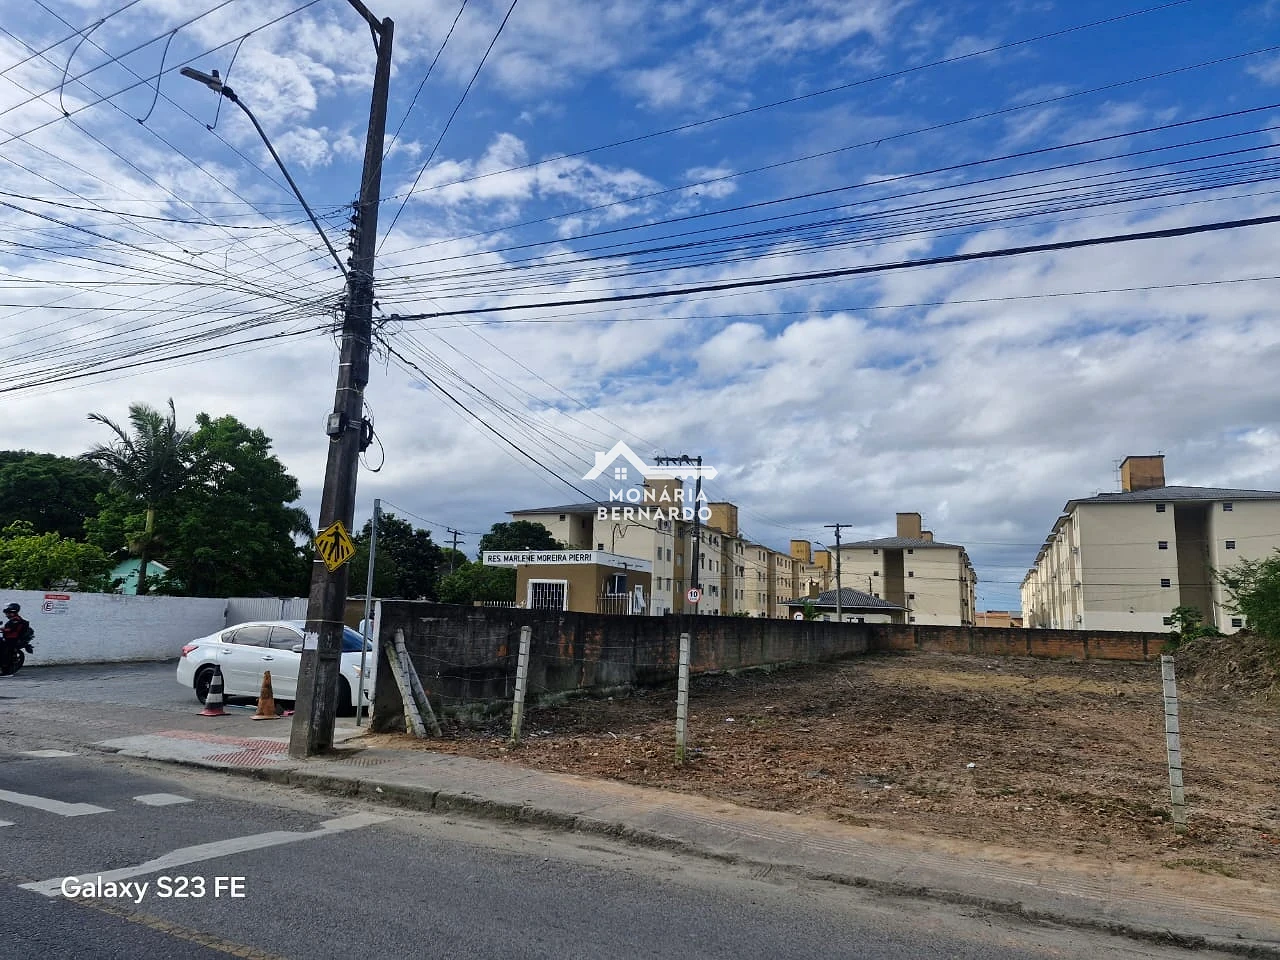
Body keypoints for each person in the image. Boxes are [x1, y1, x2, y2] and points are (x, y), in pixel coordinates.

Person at [1, 603, 35, 673]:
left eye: (8, 613)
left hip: (13, 640)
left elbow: (10, 629)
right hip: (8, 638)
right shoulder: (13, 620)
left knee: (4, 653)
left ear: (13, 612)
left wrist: (2, 629)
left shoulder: (16, 620)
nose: (6, 615)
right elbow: (8, 628)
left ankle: (6, 670)